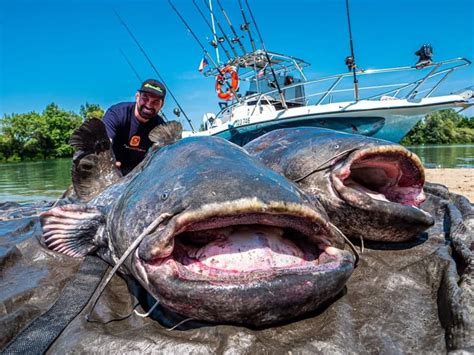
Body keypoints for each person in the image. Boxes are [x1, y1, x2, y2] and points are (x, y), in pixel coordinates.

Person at [103, 79, 166, 175]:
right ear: (137, 97)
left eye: (156, 102)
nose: (149, 105)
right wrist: (107, 163)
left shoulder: (161, 127)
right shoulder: (116, 113)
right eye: (145, 98)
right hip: (113, 170)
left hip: (140, 175)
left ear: (162, 105)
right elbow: (105, 142)